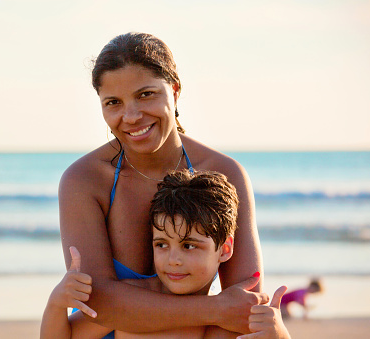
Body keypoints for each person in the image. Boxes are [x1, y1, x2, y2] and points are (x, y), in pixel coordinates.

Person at [55, 32, 272, 337]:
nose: (131, 116)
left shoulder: (224, 174)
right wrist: (216, 309)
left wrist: (225, 313)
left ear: (175, 89)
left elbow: (245, 305)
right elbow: (97, 303)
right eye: (113, 103)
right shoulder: (85, 180)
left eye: (146, 94)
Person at [41, 170, 291, 338]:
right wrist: (56, 303)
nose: (173, 260)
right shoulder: (131, 303)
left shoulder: (228, 316)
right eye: (161, 244)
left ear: (224, 249)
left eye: (189, 245)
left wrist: (279, 333)